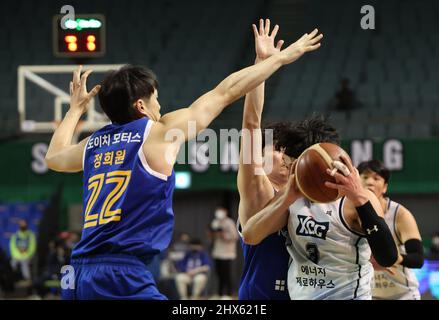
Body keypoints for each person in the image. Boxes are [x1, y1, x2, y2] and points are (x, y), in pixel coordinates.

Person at [45, 24, 324, 300]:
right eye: (155, 99)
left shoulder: (94, 143)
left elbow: (54, 158)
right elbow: (225, 92)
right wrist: (281, 58)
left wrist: (75, 110)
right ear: (141, 106)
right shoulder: (158, 132)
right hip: (121, 274)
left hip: (78, 272)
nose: (160, 106)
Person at [242, 123, 399, 300]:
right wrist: (287, 197)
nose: (287, 167)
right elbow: (250, 235)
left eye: (289, 162)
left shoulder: (357, 199)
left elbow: (388, 257)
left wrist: (359, 198)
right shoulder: (292, 197)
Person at [237, 19, 322, 300]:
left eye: (285, 149)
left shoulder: (314, 198)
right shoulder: (258, 190)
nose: (280, 153)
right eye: (273, 147)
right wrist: (262, 64)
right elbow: (251, 125)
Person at [358, 160, 424, 300]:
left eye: (376, 178)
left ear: (385, 187)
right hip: (368, 294)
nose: (370, 182)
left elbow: (418, 259)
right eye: (364, 177)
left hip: (403, 294)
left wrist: (391, 258)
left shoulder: (400, 214)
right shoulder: (348, 212)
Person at [210, 207, 239, 299]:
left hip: (227, 253)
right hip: (217, 252)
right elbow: (211, 235)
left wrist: (224, 235)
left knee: (226, 273)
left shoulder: (229, 222)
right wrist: (212, 235)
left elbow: (235, 236)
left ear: (226, 212)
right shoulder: (215, 222)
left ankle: (229, 293)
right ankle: (220, 293)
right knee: (219, 273)